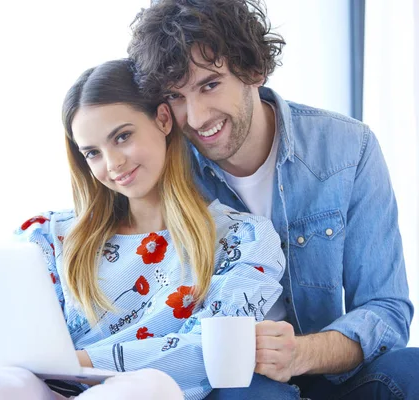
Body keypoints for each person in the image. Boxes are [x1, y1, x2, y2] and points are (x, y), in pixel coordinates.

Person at [0, 59, 287, 399]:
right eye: (93, 152)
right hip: (38, 389)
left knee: (146, 386)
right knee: (4, 381)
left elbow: (208, 354)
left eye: (123, 137)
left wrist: (72, 363)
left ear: (163, 119)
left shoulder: (243, 241)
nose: (112, 164)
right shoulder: (48, 236)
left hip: (146, 394)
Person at [127, 0, 418, 399]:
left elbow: (387, 309)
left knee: (412, 369)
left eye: (210, 85)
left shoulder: (348, 148)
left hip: (327, 365)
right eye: (175, 98)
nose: (194, 117)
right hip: (234, 382)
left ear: (253, 71)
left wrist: (300, 354)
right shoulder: (168, 168)